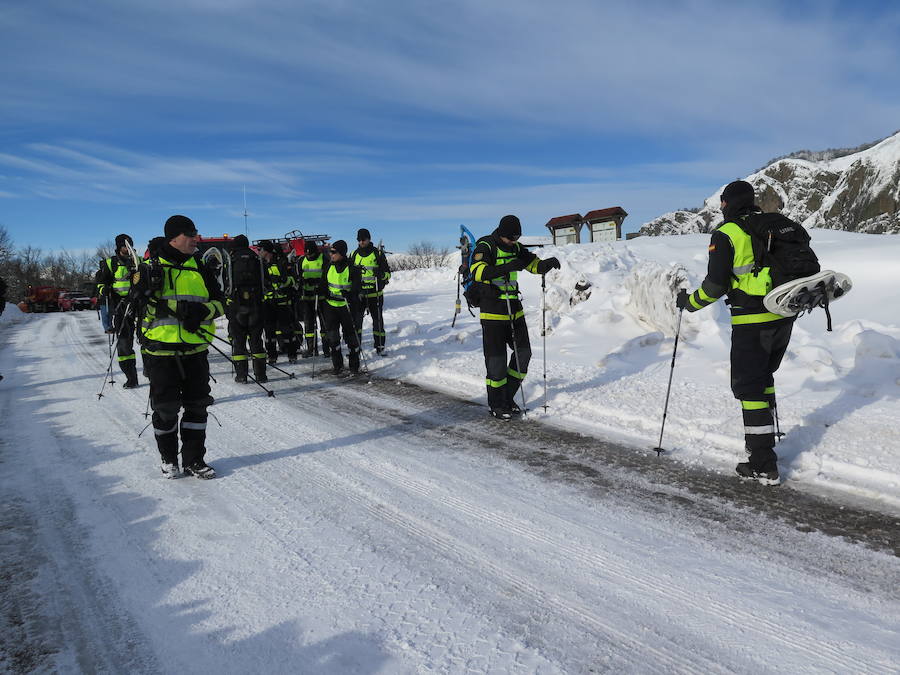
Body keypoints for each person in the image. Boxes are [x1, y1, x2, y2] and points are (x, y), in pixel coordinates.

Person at [676, 180, 794, 484]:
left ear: (727, 204)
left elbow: (715, 286)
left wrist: (689, 303)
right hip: (783, 315)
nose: (721, 207)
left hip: (752, 320)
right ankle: (764, 441)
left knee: (749, 388)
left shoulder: (727, 233)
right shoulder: (772, 225)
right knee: (763, 378)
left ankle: (763, 463)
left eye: (723, 203)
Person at [133, 215, 224, 479]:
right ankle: (169, 459)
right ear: (174, 237)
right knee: (166, 409)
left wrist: (201, 312)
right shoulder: (149, 269)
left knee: (198, 407)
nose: (196, 238)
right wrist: (178, 308)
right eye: (190, 234)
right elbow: (141, 303)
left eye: (196, 233)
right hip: (161, 351)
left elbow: (221, 302)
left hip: (195, 351)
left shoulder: (201, 267)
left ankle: (194, 460)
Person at [470, 215, 560, 420]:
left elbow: (532, 264)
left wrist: (546, 264)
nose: (513, 242)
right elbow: (479, 272)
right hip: (492, 312)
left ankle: (507, 398)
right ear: (502, 234)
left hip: (514, 311)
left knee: (524, 354)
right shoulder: (486, 245)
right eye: (511, 238)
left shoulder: (516, 247)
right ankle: (496, 404)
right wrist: (508, 267)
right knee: (497, 363)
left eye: (517, 238)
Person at [96, 233, 140, 388]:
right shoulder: (111, 263)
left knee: (148, 341)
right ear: (119, 247)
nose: (127, 248)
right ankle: (131, 378)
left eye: (129, 245)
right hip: (121, 307)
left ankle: (151, 372)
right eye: (124, 246)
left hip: (139, 305)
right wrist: (104, 289)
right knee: (124, 344)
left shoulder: (138, 260)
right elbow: (101, 283)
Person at [227, 235, 267, 384]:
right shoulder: (257, 259)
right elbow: (265, 281)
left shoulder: (231, 260)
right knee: (256, 340)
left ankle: (241, 375)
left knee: (239, 341)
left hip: (237, 306)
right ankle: (260, 375)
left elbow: (225, 283)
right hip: (256, 305)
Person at [320, 240, 362, 374]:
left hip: (346, 306)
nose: (331, 254)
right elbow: (323, 283)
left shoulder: (352, 268)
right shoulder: (328, 266)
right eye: (330, 252)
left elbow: (357, 287)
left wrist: (350, 294)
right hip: (331, 306)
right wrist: (321, 290)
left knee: (351, 338)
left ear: (342, 253)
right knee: (333, 338)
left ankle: (354, 366)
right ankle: (337, 365)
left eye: (333, 252)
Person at [350, 228, 392, 354]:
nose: (361, 242)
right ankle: (356, 348)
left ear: (369, 239)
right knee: (356, 323)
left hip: (375, 294)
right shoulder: (353, 255)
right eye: (359, 239)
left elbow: (388, 274)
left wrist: (381, 274)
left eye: (364, 239)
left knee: (378, 322)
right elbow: (349, 275)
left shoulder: (377, 254)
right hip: (360, 295)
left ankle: (380, 346)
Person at [258, 240, 298, 364]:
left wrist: (282, 281)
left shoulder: (282, 261)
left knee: (287, 330)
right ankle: (271, 355)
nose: (259, 252)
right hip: (267, 303)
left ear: (266, 251)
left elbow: (293, 280)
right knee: (269, 332)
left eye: (260, 249)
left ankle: (292, 354)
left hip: (282, 302)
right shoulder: (260, 264)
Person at [297, 240, 329, 358]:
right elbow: (299, 276)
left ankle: (327, 348)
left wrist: (319, 284)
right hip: (307, 297)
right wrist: (302, 282)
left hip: (321, 297)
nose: (309, 256)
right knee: (308, 324)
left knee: (324, 323)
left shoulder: (323, 259)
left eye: (311, 254)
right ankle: (312, 349)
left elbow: (327, 276)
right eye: (307, 254)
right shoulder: (302, 260)